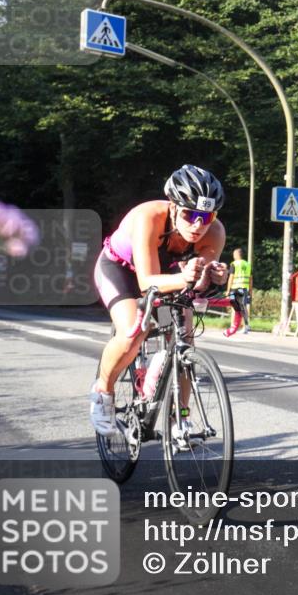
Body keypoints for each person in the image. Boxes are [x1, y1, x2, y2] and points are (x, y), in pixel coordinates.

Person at [90, 164, 228, 441]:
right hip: (121, 271)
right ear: (174, 207)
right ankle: (102, 392)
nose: (198, 225)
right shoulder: (148, 217)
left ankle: (181, 417)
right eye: (190, 214)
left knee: (186, 341)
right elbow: (146, 283)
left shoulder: (215, 232)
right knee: (134, 331)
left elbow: (197, 286)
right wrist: (185, 277)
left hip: (167, 277)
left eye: (207, 215)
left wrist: (212, 278)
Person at [226, 248, 252, 334]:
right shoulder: (247, 264)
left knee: (234, 307)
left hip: (235, 288)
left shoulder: (234, 264)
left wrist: (228, 290)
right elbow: (251, 279)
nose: (233, 256)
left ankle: (234, 326)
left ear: (237, 255)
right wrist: (250, 291)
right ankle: (246, 326)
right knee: (243, 307)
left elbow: (231, 277)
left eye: (234, 254)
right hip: (244, 288)